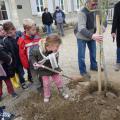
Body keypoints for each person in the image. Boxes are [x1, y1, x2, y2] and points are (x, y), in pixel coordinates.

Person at [29, 34, 69, 103]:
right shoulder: (38, 50)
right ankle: (47, 95)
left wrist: (59, 70)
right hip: (43, 69)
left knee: (58, 81)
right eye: (57, 46)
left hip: (53, 68)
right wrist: (34, 62)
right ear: (50, 44)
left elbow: (56, 63)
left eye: (58, 46)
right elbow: (31, 55)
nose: (58, 48)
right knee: (46, 83)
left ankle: (62, 92)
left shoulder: (55, 52)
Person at [76, 0, 103, 78]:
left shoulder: (97, 9)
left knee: (93, 52)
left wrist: (103, 27)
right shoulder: (82, 11)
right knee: (81, 55)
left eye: (96, 4)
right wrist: (93, 36)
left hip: (92, 35)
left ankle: (94, 66)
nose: (95, 6)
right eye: (93, 4)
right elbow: (81, 28)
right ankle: (83, 71)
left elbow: (103, 19)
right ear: (87, 2)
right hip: (82, 36)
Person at [18, 19, 43, 89]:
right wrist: (26, 65)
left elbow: (41, 46)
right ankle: (38, 86)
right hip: (31, 63)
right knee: (34, 75)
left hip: (39, 60)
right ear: (27, 29)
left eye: (35, 29)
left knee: (41, 72)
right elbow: (22, 54)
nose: (35, 31)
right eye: (33, 30)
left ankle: (43, 83)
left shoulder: (37, 36)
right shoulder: (22, 40)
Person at [2, 21, 28, 90]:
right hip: (15, 60)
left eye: (10, 33)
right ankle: (23, 83)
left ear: (14, 29)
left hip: (22, 56)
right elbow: (7, 51)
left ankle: (27, 78)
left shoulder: (19, 35)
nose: (9, 35)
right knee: (20, 72)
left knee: (25, 69)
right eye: (7, 33)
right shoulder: (6, 40)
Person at [111, 1, 120, 71]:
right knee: (119, 46)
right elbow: (115, 19)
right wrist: (113, 31)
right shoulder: (117, 5)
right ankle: (118, 62)